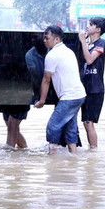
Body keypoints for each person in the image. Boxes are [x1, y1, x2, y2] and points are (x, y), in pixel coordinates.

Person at [34, 25, 86, 153]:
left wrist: (41, 101)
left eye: (47, 38)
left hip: (70, 96)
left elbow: (46, 79)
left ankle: (53, 157)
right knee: (70, 126)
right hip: (79, 95)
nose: (44, 40)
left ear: (56, 39)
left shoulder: (52, 55)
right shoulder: (68, 51)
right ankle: (73, 156)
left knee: (53, 126)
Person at [78, 17, 105, 149]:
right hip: (85, 87)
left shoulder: (101, 43)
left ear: (98, 29)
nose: (87, 27)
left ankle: (93, 151)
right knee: (86, 122)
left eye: (91, 25)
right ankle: (91, 151)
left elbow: (90, 60)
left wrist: (82, 42)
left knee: (89, 122)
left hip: (95, 88)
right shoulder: (88, 44)